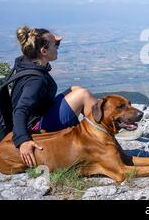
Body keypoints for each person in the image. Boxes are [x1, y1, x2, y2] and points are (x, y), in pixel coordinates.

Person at [11, 26, 105, 168]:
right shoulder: (35, 80)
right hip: (38, 129)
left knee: (75, 89)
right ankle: (104, 131)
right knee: (82, 95)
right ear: (43, 51)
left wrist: (51, 38)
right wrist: (23, 140)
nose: (58, 46)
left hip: (40, 115)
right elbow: (20, 110)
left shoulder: (27, 62)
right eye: (56, 45)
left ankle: (100, 124)